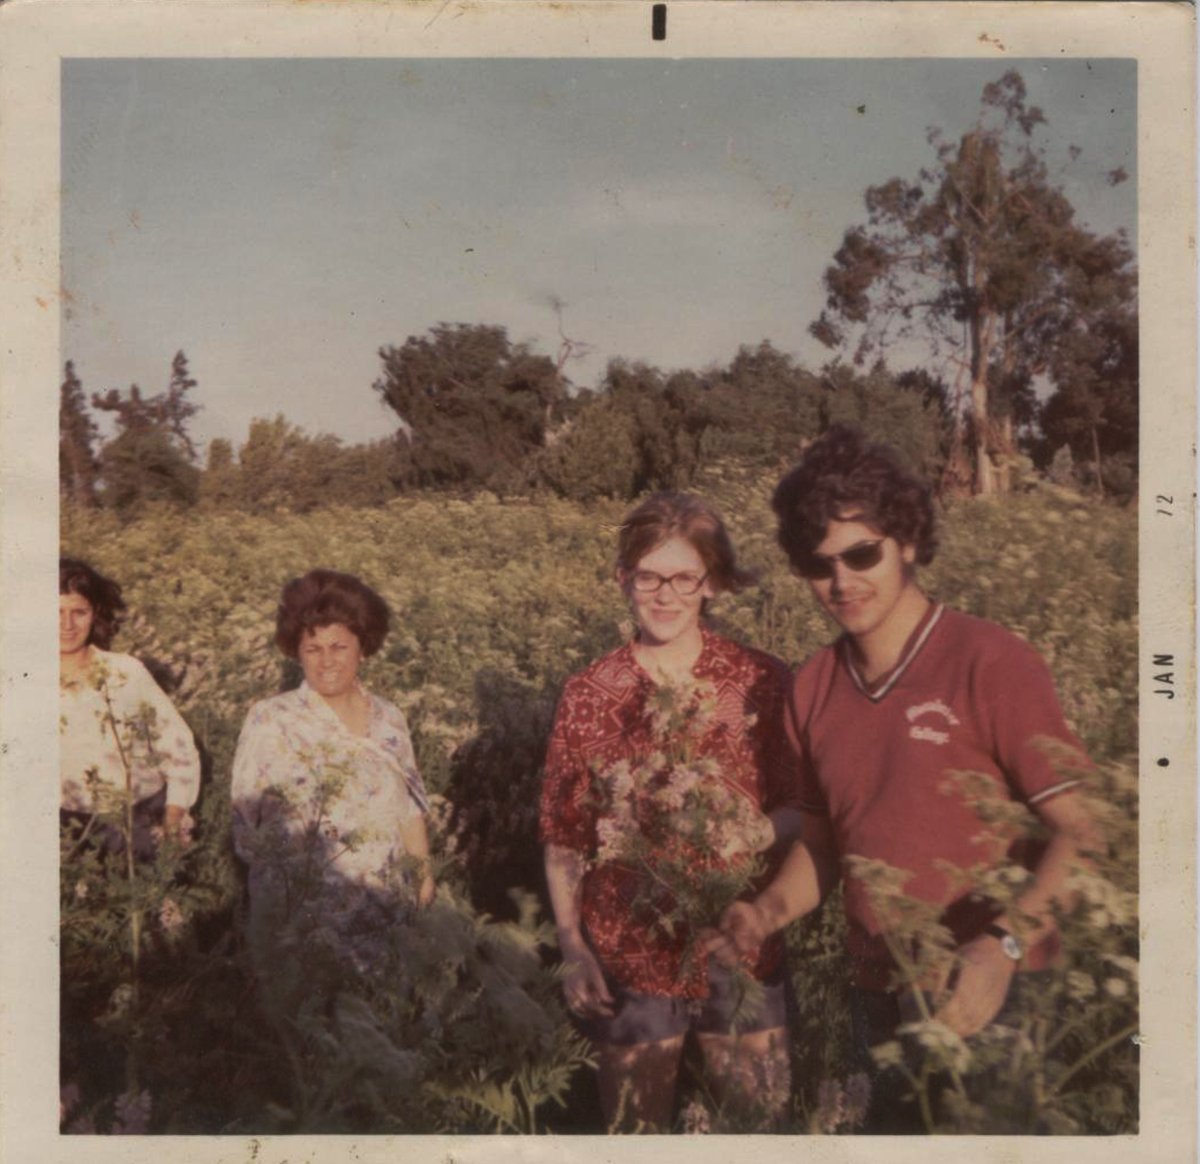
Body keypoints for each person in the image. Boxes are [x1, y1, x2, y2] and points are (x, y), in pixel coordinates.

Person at [709, 425, 1097, 1132]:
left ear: (908, 543)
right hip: (879, 992)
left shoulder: (991, 661)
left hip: (994, 993)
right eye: (819, 564)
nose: (842, 581)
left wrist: (1005, 944)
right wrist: (764, 912)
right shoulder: (814, 686)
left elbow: (1087, 829)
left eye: (862, 554)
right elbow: (824, 848)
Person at [540, 492, 804, 1132]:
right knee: (637, 1134)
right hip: (628, 956)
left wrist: (757, 829)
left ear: (711, 584)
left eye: (684, 577)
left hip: (739, 944)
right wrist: (573, 942)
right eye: (648, 576)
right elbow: (564, 833)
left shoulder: (762, 680)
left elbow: (804, 807)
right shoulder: (589, 692)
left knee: (754, 1131)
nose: (665, 594)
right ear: (622, 579)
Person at [231, 569, 434, 991]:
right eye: (313, 648)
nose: (327, 661)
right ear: (297, 652)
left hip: (385, 918)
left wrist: (424, 881)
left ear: (364, 647)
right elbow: (247, 829)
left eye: (339, 646)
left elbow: (410, 808)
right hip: (305, 925)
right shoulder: (271, 719)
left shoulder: (389, 718)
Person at [59, 557, 200, 852]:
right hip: (64, 828)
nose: (67, 625)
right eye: (56, 612)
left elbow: (179, 748)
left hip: (135, 820)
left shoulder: (126, 672)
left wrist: (173, 821)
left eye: (79, 612)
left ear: (95, 613)